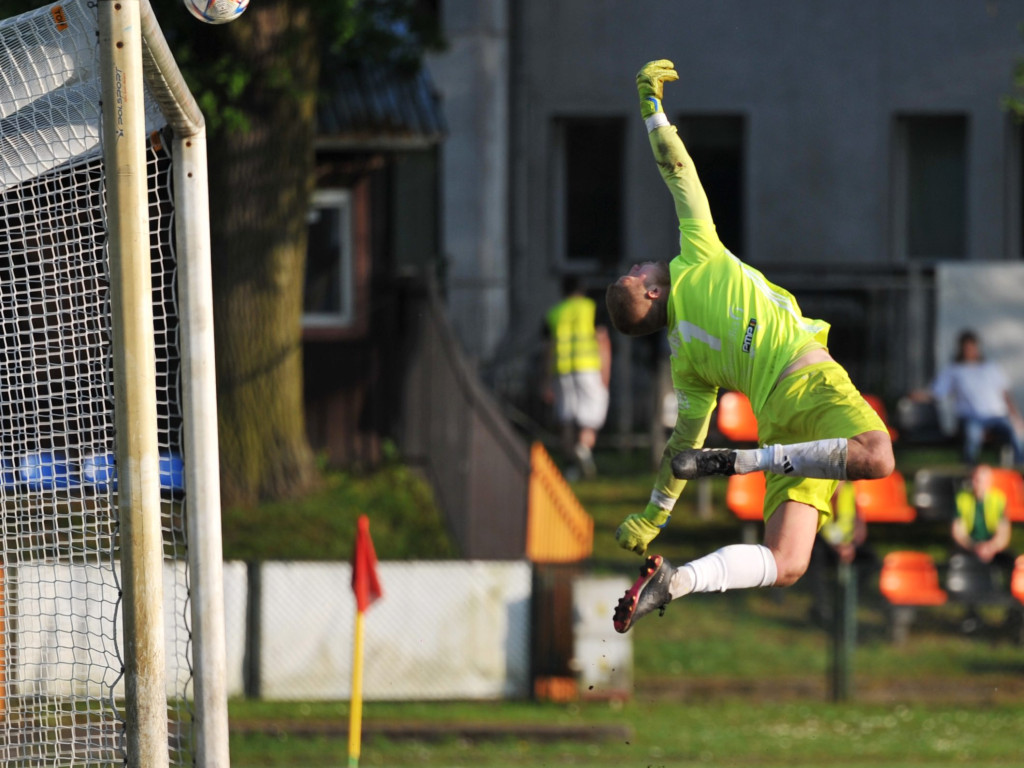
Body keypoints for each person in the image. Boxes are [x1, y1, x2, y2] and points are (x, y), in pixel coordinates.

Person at [608, 60, 894, 633]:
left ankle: (677, 581)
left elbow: (682, 445)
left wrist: (652, 515)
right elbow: (678, 170)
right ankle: (744, 462)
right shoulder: (697, 255)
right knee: (879, 456)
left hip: (783, 425)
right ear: (650, 288)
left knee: (787, 563)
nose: (640, 262)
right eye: (636, 270)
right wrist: (652, 110)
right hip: (808, 387)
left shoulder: (685, 362)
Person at [914, 330, 1024, 466]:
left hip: (997, 417)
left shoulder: (991, 368)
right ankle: (969, 470)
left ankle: (1019, 471)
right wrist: (917, 396)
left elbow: (1006, 395)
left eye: (972, 347)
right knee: (972, 436)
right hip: (971, 418)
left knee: (1015, 434)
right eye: (966, 348)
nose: (970, 351)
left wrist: (1016, 418)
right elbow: (937, 393)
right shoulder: (954, 370)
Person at [542, 276, 612, 478]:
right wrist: (605, 373)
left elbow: (547, 350)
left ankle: (570, 466)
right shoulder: (592, 309)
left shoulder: (554, 313)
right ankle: (583, 447)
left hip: (562, 371)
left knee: (567, 418)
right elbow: (603, 342)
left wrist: (546, 381)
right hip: (588, 369)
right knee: (590, 416)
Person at [950, 464, 1015, 632]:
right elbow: (958, 531)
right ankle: (971, 613)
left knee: (1013, 564)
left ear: (989, 481)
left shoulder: (997, 499)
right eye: (975, 479)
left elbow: (1003, 532)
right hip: (969, 547)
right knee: (961, 565)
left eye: (981, 479)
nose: (977, 483)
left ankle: (1013, 610)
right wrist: (974, 547)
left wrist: (991, 547)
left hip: (991, 547)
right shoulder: (962, 499)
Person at [806, 480, 877, 627]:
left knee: (870, 559)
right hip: (824, 546)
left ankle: (847, 605)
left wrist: (851, 546)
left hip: (847, 546)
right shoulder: (817, 491)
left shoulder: (850, 491)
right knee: (813, 557)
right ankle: (822, 608)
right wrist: (836, 547)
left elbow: (859, 525)